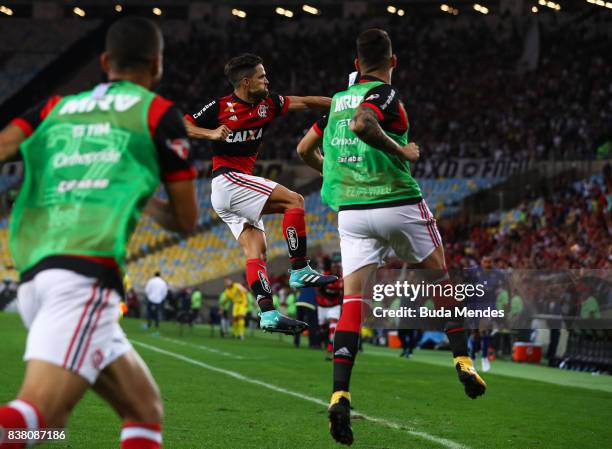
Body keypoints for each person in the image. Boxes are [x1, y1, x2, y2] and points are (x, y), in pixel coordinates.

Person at [0, 17, 198, 449]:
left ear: (105, 61)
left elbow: (3, 145)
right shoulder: (157, 114)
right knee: (35, 418)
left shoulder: (56, 108)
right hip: (85, 278)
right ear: (158, 65)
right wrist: (139, 196)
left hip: (36, 276)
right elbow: (184, 220)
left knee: (144, 408)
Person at [297, 29, 486, 445]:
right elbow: (365, 123)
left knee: (352, 303)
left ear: (355, 62)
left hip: (353, 214)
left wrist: (333, 171)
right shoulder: (383, 94)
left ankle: (340, 393)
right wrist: (403, 153)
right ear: (392, 61)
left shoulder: (334, 103)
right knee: (440, 278)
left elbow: (303, 150)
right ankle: (463, 359)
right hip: (397, 203)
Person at [184, 53, 337, 335]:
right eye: (261, 76)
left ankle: (267, 313)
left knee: (256, 252)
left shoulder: (269, 103)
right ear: (245, 82)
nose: (267, 80)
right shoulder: (220, 107)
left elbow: (303, 102)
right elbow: (183, 124)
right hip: (229, 180)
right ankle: (300, 269)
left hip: (229, 193)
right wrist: (212, 134)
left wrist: (339, 104)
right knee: (295, 200)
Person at [316, 255, 343, 360]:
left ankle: (330, 349)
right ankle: (326, 339)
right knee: (322, 327)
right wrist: (324, 298)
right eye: (334, 266)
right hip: (322, 305)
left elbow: (343, 291)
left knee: (333, 325)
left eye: (338, 267)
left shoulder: (342, 279)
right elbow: (318, 289)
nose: (336, 268)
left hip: (334, 305)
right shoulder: (325, 276)